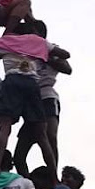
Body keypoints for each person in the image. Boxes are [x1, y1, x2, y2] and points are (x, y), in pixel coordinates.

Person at [0, 24, 70, 176]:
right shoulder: (37, 44)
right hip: (31, 89)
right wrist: (34, 47)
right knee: (28, 145)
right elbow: (65, 54)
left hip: (41, 94)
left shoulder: (15, 43)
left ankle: (51, 176)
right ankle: (31, 182)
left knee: (45, 136)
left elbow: (67, 67)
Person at [13, 22, 70, 176]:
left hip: (47, 96)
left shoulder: (51, 48)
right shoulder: (23, 53)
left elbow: (67, 68)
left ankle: (53, 178)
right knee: (19, 155)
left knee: (50, 136)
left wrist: (45, 57)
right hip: (30, 101)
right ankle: (29, 185)